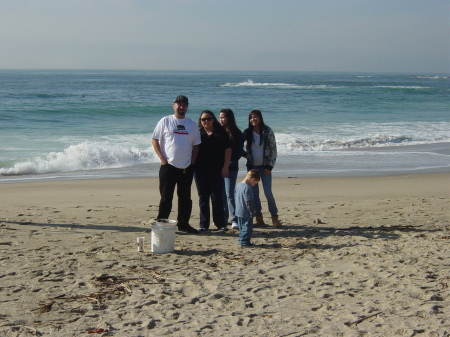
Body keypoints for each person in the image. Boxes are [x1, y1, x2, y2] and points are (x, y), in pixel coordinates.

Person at [151, 95, 201, 234]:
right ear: (174, 106)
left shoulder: (191, 124)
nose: (181, 107)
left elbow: (196, 145)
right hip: (168, 166)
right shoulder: (165, 121)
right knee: (166, 197)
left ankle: (183, 223)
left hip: (186, 167)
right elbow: (154, 140)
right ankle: (161, 222)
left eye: (184, 105)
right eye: (179, 104)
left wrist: (192, 162)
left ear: (187, 107)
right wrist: (162, 159)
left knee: (185, 198)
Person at [243, 109, 282, 228]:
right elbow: (237, 144)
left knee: (268, 192)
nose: (253, 119)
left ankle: (274, 217)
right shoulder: (247, 132)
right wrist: (245, 155)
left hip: (265, 167)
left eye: (255, 117)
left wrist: (270, 165)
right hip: (252, 168)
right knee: (254, 194)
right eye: (251, 118)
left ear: (260, 118)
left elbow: (273, 149)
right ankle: (259, 218)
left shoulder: (267, 131)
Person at [194, 110, 231, 231]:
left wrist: (226, 167)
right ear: (200, 121)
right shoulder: (198, 134)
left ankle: (220, 224)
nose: (206, 121)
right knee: (203, 198)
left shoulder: (221, 133)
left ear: (213, 120)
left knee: (217, 198)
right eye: (203, 119)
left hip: (217, 170)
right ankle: (204, 225)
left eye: (208, 119)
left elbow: (228, 150)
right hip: (200, 170)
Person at [219, 109, 244, 230]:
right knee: (221, 194)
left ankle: (234, 219)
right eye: (220, 117)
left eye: (223, 117)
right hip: (218, 167)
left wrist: (228, 165)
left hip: (231, 168)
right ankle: (223, 218)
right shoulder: (219, 131)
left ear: (229, 118)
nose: (221, 120)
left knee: (229, 194)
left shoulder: (237, 133)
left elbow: (239, 152)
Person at [234, 169, 260, 247]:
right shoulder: (247, 188)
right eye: (255, 182)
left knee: (241, 227)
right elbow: (249, 202)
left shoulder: (238, 185)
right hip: (246, 212)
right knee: (247, 228)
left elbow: (235, 196)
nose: (255, 184)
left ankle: (241, 239)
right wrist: (252, 212)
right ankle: (244, 242)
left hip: (238, 211)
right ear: (253, 179)